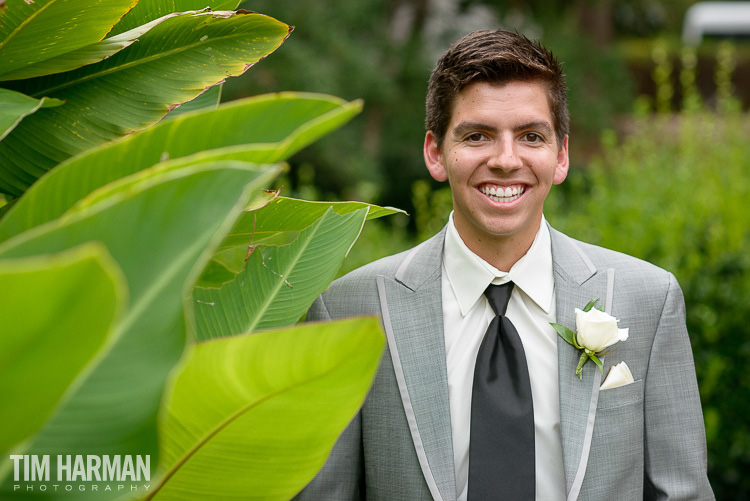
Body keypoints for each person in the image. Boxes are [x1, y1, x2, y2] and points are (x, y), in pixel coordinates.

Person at [295, 30, 713, 500]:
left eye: (531, 136)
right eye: (478, 136)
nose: (506, 160)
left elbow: (682, 492)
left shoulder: (648, 298)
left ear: (561, 156)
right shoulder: (349, 308)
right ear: (435, 153)